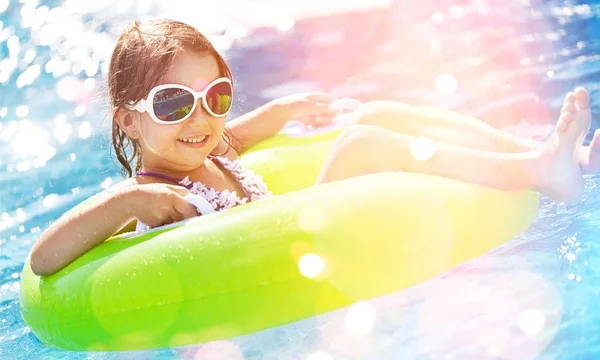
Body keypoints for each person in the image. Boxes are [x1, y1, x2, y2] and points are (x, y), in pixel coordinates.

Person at [29, 19, 597, 276]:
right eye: (175, 104)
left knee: (380, 112)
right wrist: (127, 204)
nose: (200, 118)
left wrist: (279, 112)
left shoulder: (212, 149)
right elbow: (43, 259)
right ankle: (536, 168)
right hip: (274, 270)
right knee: (365, 143)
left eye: (217, 96)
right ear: (130, 120)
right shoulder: (153, 195)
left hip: (300, 244)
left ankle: (545, 158)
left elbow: (237, 135)